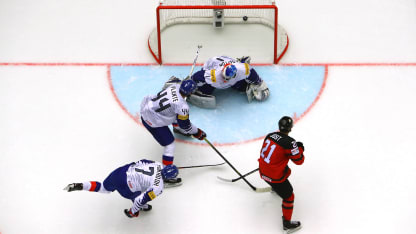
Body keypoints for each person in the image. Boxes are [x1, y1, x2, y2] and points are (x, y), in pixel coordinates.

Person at [139, 79, 207, 186]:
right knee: (170, 145)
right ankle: (166, 175)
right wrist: (198, 133)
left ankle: (177, 128)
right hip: (152, 121)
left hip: (147, 108)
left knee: (175, 114)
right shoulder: (182, 106)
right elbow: (185, 125)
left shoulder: (174, 86)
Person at [64, 159, 178, 218]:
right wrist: (133, 212)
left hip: (121, 172)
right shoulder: (159, 187)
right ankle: (139, 210)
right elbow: (140, 199)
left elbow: (140, 161)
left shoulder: (157, 164)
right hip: (127, 187)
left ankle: (81, 185)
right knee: (139, 199)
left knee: (103, 187)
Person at [258, 116, 305, 233]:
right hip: (274, 177)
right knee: (289, 196)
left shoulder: (270, 135)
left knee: (284, 169)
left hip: (263, 171)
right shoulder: (290, 143)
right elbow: (299, 161)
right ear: (290, 128)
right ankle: (287, 225)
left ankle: (275, 188)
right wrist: (300, 148)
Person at [187, 55, 270, 108]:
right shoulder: (214, 75)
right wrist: (191, 83)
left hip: (230, 62)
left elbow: (251, 73)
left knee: (241, 87)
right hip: (212, 65)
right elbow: (199, 75)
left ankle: (241, 61)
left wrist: (258, 83)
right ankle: (201, 89)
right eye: (225, 78)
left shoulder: (242, 69)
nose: (225, 80)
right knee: (206, 90)